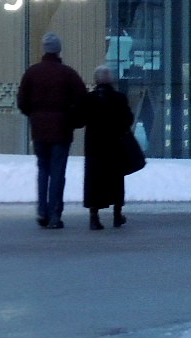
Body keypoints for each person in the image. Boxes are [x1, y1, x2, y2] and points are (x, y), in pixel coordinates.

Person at [18, 31, 87, 229]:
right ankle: (55, 213)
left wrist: (34, 115)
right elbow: (82, 100)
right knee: (57, 171)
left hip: (39, 130)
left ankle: (42, 211)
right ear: (58, 50)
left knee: (43, 169)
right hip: (62, 130)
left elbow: (22, 101)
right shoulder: (68, 74)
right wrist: (75, 121)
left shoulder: (32, 73)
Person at [81, 66, 136, 230]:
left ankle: (94, 216)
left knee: (94, 179)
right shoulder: (119, 98)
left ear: (96, 80)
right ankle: (117, 214)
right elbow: (128, 119)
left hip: (94, 146)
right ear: (111, 80)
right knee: (116, 179)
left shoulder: (89, 99)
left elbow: (80, 119)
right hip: (115, 144)